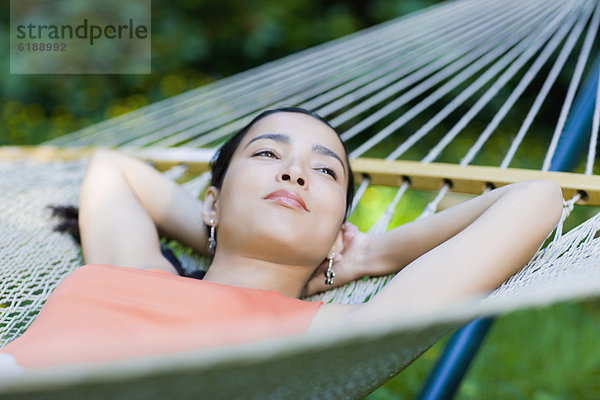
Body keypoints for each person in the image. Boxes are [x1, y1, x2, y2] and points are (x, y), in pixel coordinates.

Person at [0, 107, 563, 370]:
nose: (294, 173)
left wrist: (371, 254)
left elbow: (535, 199)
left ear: (337, 231)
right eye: (268, 154)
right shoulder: (134, 271)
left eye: (324, 172)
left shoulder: (333, 338)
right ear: (212, 200)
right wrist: (221, 228)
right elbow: (111, 168)